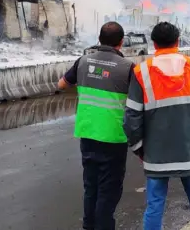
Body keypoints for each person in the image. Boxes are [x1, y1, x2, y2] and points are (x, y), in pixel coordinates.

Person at [123, 22, 190, 230]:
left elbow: (131, 118)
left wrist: (139, 148)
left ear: (154, 43)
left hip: (156, 154)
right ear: (178, 41)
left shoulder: (141, 72)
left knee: (155, 206)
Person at [58, 22, 134, 230]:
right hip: (113, 137)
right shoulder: (128, 67)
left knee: (91, 188)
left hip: (87, 133)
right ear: (121, 42)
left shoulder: (83, 62)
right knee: (108, 192)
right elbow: (140, 99)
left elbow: (62, 84)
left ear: (99, 39)